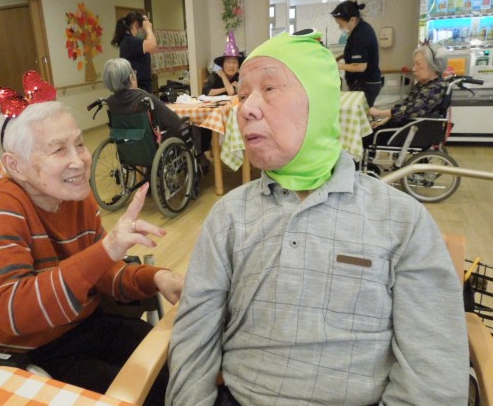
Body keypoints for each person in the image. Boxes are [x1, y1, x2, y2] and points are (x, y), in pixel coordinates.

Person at [166, 31, 468, 406]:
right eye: (243, 94)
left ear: (320, 103)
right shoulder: (229, 216)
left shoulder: (401, 221)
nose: (246, 109)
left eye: (269, 89)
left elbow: (434, 370)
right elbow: (194, 339)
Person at [0, 71, 183, 406]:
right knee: (152, 394)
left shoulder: (75, 198)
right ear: (15, 166)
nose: (79, 160)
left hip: (81, 325)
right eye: (58, 150)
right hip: (23, 355)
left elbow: (101, 273)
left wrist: (157, 278)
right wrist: (107, 250)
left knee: (182, 365)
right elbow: (14, 314)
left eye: (79, 144)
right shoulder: (0, 210)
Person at [103, 58, 211, 172]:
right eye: (133, 72)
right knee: (191, 125)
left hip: (128, 150)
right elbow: (173, 120)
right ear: (131, 78)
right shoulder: (144, 98)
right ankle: (200, 160)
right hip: (152, 146)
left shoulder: (110, 102)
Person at [364, 43, 448, 146]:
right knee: (369, 131)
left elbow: (411, 110)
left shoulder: (435, 88)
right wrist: (384, 120)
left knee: (365, 137)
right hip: (405, 126)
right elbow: (406, 105)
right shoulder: (425, 84)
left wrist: (379, 113)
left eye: (419, 64)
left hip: (409, 131)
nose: (414, 69)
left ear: (433, 66)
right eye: (414, 64)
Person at [331, 0, 382, 107]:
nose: (339, 27)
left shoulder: (360, 36)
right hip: (367, 82)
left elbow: (360, 67)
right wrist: (339, 57)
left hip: (366, 84)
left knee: (361, 112)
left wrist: (335, 65)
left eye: (340, 24)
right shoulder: (362, 28)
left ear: (352, 20)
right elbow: (354, 52)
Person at [111, 11, 157, 93]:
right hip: (138, 88)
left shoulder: (130, 41)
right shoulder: (130, 41)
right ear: (136, 24)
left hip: (141, 87)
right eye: (142, 27)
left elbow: (153, 49)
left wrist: (148, 29)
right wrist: (148, 28)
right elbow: (152, 44)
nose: (142, 31)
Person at [202, 32, 245, 96]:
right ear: (222, 65)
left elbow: (231, 92)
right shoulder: (215, 75)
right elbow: (205, 92)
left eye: (234, 62)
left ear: (238, 66)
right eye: (228, 62)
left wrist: (224, 77)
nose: (231, 65)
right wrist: (223, 76)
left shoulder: (239, 77)